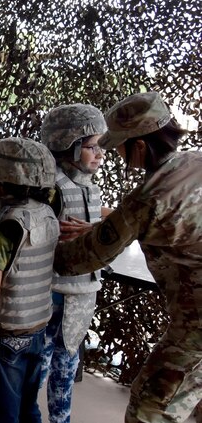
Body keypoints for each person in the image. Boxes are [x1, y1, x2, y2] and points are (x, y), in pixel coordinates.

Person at [53, 91, 202, 423]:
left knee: (149, 408)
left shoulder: (149, 198)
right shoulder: (194, 163)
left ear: (139, 146)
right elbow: (177, 224)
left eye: (117, 145)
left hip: (197, 330)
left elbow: (83, 258)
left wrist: (34, 247)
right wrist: (103, 224)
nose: (113, 153)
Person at [0, 137, 59, 423]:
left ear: (4, 178)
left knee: (4, 415)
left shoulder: (6, 227)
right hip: (37, 330)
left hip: (5, 337)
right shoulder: (47, 215)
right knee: (29, 408)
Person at [39, 104, 110, 423]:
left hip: (81, 292)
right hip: (50, 291)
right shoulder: (49, 186)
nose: (100, 154)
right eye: (92, 146)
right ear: (70, 144)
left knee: (65, 368)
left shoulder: (88, 185)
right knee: (37, 367)